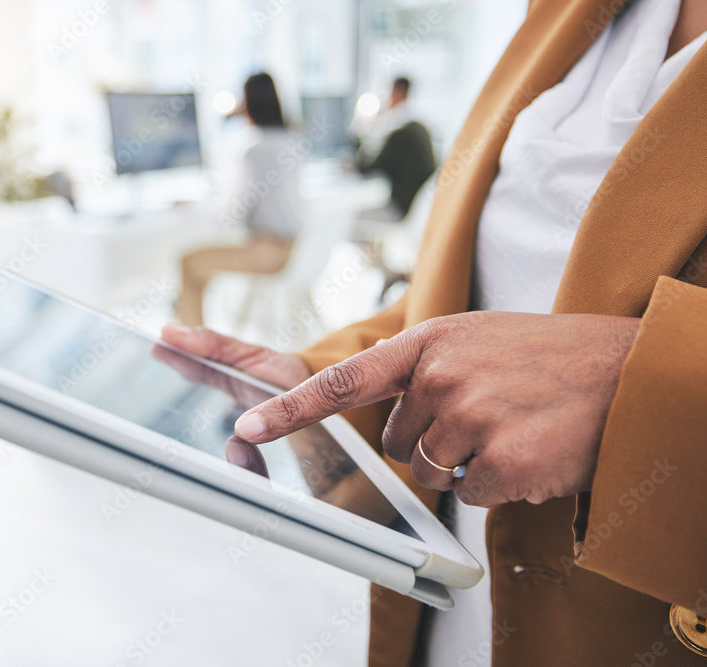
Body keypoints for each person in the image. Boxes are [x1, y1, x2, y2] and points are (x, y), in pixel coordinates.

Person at [163, 0, 707, 664]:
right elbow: (476, 288)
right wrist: (329, 382)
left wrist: (643, 383)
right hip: (456, 615)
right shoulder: (571, 13)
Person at [176, 73, 304, 327]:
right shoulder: (291, 141)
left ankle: (193, 346)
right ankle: (198, 334)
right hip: (295, 248)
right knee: (202, 268)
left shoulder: (253, 150)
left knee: (189, 263)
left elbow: (229, 216)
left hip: (269, 252)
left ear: (249, 102)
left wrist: (188, 208)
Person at [354, 77, 436, 222]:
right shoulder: (418, 127)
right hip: (415, 209)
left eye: (388, 92)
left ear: (398, 93)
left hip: (401, 210)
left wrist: (361, 128)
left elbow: (369, 168)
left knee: (348, 218)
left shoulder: (401, 133)